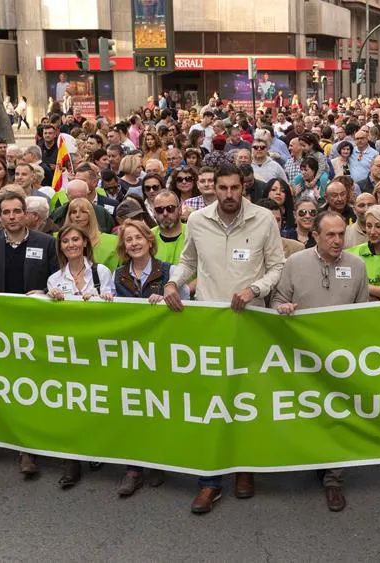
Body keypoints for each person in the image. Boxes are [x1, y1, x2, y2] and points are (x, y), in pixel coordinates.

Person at [163, 163, 285, 515]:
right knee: (212, 403)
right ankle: (210, 481)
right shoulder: (198, 221)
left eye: (235, 188)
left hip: (251, 324)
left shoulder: (263, 219)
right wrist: (174, 283)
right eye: (223, 188)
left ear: (243, 187)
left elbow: (277, 267)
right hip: (209, 326)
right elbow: (187, 262)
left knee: (247, 401)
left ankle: (245, 469)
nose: (229, 195)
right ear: (212, 189)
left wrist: (255, 289)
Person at [272, 211, 369, 512]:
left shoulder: (357, 265)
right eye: (331, 234)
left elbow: (363, 313)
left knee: (337, 413)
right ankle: (313, 459)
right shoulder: (294, 264)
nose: (338, 240)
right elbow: (276, 301)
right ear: (315, 235)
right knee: (309, 411)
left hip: (340, 357)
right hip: (302, 356)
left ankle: (333, 477)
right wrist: (283, 307)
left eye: (342, 234)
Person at [0, 192, 57, 475]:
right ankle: (22, 445)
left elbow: (56, 278)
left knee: (38, 384)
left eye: (17, 211)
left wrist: (44, 292)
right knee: (14, 385)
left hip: (36, 325)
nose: (11, 217)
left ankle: (37, 443)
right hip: (2, 326)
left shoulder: (45, 242)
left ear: (26, 214)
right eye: (5, 212)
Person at [44, 224, 115, 488]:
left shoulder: (101, 272)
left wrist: (102, 297)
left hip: (96, 348)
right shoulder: (54, 279)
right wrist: (49, 299)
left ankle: (96, 449)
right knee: (71, 402)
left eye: (76, 239)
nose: (71, 244)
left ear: (85, 243)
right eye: (66, 241)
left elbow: (116, 309)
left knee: (96, 400)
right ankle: (71, 460)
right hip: (68, 350)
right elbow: (49, 318)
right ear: (60, 247)